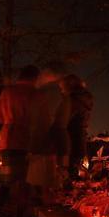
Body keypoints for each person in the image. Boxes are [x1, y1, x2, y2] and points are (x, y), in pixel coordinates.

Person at [0, 65, 39, 217]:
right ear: (34, 78)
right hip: (26, 141)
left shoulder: (7, 92)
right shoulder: (35, 94)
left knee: (6, 180)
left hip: (7, 141)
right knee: (24, 184)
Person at [27, 62, 66, 203]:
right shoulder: (57, 94)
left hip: (42, 144)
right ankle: (45, 204)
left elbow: (41, 120)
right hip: (47, 144)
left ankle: (44, 207)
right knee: (45, 182)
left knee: (42, 182)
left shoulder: (46, 93)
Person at [63, 75, 94, 179]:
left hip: (71, 138)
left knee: (69, 171)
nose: (62, 91)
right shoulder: (85, 101)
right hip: (80, 138)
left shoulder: (72, 100)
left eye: (63, 88)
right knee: (74, 167)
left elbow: (64, 120)